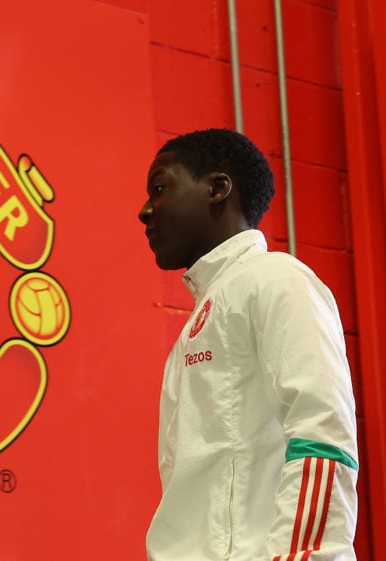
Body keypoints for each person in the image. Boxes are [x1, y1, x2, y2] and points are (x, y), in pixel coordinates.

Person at [138, 128, 359, 561]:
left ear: (218, 188)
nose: (145, 211)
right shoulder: (193, 330)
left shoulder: (276, 278)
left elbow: (323, 434)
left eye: (160, 188)